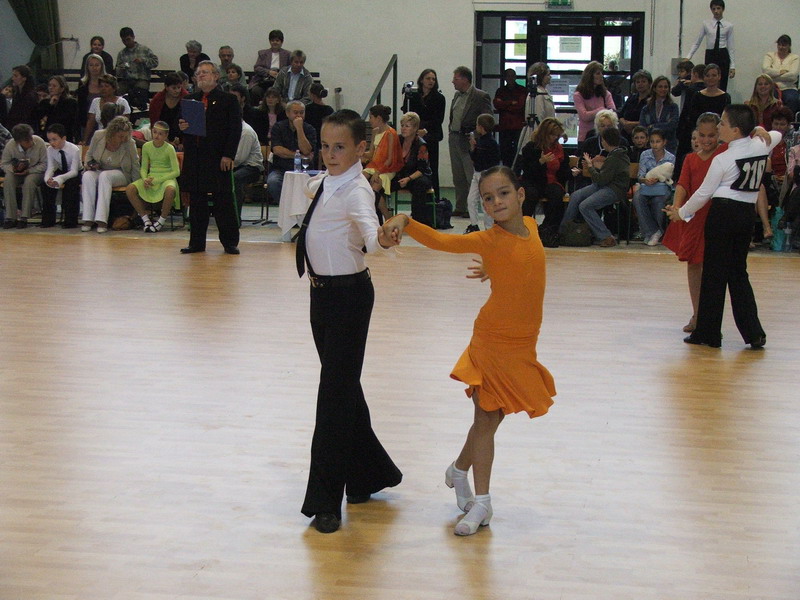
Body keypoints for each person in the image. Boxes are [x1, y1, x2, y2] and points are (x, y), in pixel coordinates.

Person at [380, 165, 556, 536]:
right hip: (492, 341)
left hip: (524, 344)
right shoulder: (487, 239)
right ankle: (483, 502)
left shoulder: (532, 226)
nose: (497, 202)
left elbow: (522, 265)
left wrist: (495, 269)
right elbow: (442, 243)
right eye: (488, 198)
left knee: (491, 419)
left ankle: (459, 470)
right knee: (486, 419)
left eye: (503, 193)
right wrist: (406, 222)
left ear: (520, 195)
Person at [297, 109, 402, 534]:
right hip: (321, 296)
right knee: (343, 388)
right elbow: (312, 186)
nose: (329, 153)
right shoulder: (326, 182)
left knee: (333, 398)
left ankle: (325, 500)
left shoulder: (357, 191)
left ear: (362, 148)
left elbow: (370, 234)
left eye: (339, 147)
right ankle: (368, 473)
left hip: (348, 299)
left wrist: (383, 238)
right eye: (325, 146)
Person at [665, 105, 778, 349]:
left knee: (713, 276)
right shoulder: (760, 146)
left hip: (723, 216)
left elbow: (702, 194)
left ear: (735, 130)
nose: (719, 127)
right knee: (738, 273)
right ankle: (754, 332)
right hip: (746, 217)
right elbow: (775, 135)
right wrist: (758, 129)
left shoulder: (723, 158)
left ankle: (708, 334)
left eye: (723, 124)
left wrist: (680, 213)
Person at [662, 113, 724, 333]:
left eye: (711, 135)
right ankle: (697, 313)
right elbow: (682, 185)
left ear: (719, 133)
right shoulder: (690, 159)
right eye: (702, 135)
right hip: (693, 216)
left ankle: (709, 316)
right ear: (696, 135)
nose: (706, 140)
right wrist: (677, 208)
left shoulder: (724, 153)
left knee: (714, 266)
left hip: (716, 215)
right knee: (694, 263)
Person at [178, 61, 242, 254]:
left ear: (216, 76)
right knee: (197, 202)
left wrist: (228, 154)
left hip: (217, 157)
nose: (201, 76)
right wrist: (181, 126)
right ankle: (196, 242)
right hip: (196, 157)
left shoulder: (228, 100)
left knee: (223, 200)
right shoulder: (190, 99)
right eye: (198, 73)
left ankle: (229, 242)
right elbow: (181, 127)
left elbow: (234, 129)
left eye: (205, 72)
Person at [561, 126, 630, 247]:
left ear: (606, 141)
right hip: (605, 185)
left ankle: (606, 236)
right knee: (576, 196)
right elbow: (606, 175)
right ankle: (564, 230)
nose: (601, 142)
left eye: (602, 140)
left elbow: (601, 179)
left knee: (585, 206)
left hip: (614, 189)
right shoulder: (615, 155)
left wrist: (590, 167)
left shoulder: (615, 158)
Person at [80, 116, 139, 233]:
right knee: (87, 176)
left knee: (105, 176)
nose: (123, 139)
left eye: (125, 136)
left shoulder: (130, 143)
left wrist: (136, 184)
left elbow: (135, 164)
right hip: (100, 169)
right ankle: (88, 219)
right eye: (120, 136)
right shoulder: (98, 135)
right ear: (112, 132)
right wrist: (89, 165)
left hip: (121, 173)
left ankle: (102, 220)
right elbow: (89, 155)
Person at [449, 66, 493, 217]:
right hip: (454, 138)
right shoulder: (457, 95)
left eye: (455, 78)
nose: (453, 81)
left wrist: (474, 135)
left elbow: (488, 119)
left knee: (470, 175)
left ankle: (471, 207)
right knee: (458, 176)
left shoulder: (480, 96)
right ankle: (460, 206)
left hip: (470, 140)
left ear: (465, 79)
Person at [516, 117, 570, 235]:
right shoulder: (531, 147)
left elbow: (564, 170)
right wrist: (540, 161)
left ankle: (548, 229)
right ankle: (524, 226)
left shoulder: (559, 149)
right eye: (552, 135)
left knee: (556, 194)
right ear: (545, 134)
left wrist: (570, 172)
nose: (555, 138)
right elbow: (527, 171)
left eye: (557, 135)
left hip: (552, 181)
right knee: (531, 194)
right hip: (533, 180)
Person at [125, 121, 180, 232]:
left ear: (166, 135)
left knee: (170, 189)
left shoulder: (170, 148)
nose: (156, 136)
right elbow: (144, 168)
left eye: (160, 134)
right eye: (155, 132)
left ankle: (161, 221)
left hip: (167, 178)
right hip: (151, 177)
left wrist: (158, 181)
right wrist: (145, 179)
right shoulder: (146, 146)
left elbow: (176, 171)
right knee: (130, 188)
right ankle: (145, 219)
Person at [403, 69, 445, 199]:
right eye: (428, 78)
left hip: (431, 136)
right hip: (415, 135)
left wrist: (425, 130)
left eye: (433, 79)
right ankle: (419, 196)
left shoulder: (439, 98)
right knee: (417, 167)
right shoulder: (414, 96)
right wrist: (414, 129)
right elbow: (408, 113)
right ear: (421, 80)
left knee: (432, 167)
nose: (431, 81)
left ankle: (435, 199)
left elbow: (438, 119)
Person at [266, 100, 316, 204]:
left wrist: (299, 129)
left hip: (304, 170)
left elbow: (306, 150)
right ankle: (287, 207)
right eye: (295, 112)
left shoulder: (310, 129)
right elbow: (277, 150)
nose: (299, 116)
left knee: (315, 185)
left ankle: (301, 210)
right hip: (280, 169)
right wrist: (298, 156)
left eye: (301, 112)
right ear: (287, 113)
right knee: (273, 182)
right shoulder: (278, 127)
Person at [632, 129, 675, 246]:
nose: (655, 145)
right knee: (637, 198)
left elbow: (670, 178)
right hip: (646, 186)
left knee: (658, 201)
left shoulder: (671, 157)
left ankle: (658, 231)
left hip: (662, 188)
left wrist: (659, 179)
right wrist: (645, 180)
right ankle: (653, 231)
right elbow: (640, 176)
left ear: (664, 142)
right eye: (652, 142)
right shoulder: (645, 155)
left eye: (658, 141)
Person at [391, 111, 433, 226]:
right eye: (402, 125)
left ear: (415, 128)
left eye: (407, 126)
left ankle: (417, 222)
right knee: (380, 183)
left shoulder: (421, 145)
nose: (403, 128)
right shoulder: (398, 140)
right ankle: (382, 218)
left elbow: (422, 169)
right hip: (401, 174)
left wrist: (408, 179)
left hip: (417, 175)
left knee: (420, 185)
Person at [1, 124, 47, 229]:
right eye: (26, 141)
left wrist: (29, 170)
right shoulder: (10, 145)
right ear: (18, 142)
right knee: (8, 180)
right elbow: (4, 164)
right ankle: (10, 217)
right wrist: (14, 169)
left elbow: (44, 164)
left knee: (29, 181)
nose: (30, 142)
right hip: (17, 173)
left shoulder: (39, 142)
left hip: (36, 172)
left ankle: (24, 216)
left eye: (30, 138)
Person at [686, 0, 735, 92]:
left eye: (718, 8)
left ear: (723, 9)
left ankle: (722, 100)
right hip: (710, 54)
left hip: (723, 54)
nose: (716, 11)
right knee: (708, 80)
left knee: (722, 82)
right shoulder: (706, 24)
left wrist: (732, 66)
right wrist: (689, 56)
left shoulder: (729, 26)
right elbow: (697, 41)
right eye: (713, 9)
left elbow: (731, 46)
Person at [40, 123, 81, 228]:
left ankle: (70, 221)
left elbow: (74, 171)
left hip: (75, 173)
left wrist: (59, 179)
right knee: (45, 186)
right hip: (61, 170)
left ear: (63, 138)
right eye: (49, 140)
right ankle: (48, 220)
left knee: (71, 186)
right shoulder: (50, 149)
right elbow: (50, 167)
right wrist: (48, 179)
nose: (51, 143)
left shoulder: (74, 149)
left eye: (54, 139)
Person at [465, 113, 501, 233]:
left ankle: (489, 227)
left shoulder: (490, 143)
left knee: (484, 202)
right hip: (477, 174)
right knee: (471, 199)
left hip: (486, 175)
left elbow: (489, 160)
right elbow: (475, 158)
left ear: (481, 127)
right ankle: (474, 224)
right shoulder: (481, 141)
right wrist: (473, 148)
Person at [363, 104, 403, 199]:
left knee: (374, 189)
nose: (369, 120)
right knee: (360, 180)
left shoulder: (391, 134)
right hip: (374, 165)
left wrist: (377, 172)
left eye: (371, 117)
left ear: (379, 118)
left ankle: (381, 208)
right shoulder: (375, 132)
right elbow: (371, 154)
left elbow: (390, 159)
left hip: (387, 168)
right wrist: (359, 153)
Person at [674, 63, 707, 177]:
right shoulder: (709, 91)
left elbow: (686, 112)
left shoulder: (691, 90)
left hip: (689, 128)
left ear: (695, 74)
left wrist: (679, 131)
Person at [115, 27, 159, 110]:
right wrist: (121, 68)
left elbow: (155, 62)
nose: (126, 42)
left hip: (141, 79)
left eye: (128, 39)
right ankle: (122, 110)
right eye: (124, 40)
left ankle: (142, 107)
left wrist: (143, 61)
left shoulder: (144, 50)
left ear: (133, 37)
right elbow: (118, 72)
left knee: (139, 90)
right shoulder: (121, 53)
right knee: (118, 90)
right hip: (127, 80)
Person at [573, 61, 616, 145]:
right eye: (598, 73)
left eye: (601, 73)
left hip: (605, 137)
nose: (601, 76)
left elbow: (612, 112)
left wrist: (595, 113)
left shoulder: (605, 93)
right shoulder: (578, 95)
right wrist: (602, 110)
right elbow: (584, 116)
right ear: (589, 76)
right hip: (585, 136)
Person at [683, 64, 731, 139]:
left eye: (714, 75)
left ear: (719, 76)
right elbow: (692, 118)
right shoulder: (697, 95)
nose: (710, 78)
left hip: (718, 135)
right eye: (708, 75)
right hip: (700, 134)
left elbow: (725, 120)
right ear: (704, 77)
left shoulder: (725, 97)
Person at [82, 74, 131, 144]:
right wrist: (84, 140)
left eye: (106, 86)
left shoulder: (122, 102)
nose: (103, 89)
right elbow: (90, 123)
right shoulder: (95, 101)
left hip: (118, 138)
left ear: (114, 88)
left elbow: (126, 124)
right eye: (101, 86)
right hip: (100, 137)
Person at [493, 69, 527, 167]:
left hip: (518, 126)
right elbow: (497, 104)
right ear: (505, 78)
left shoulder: (522, 90)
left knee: (518, 150)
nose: (510, 78)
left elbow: (520, 106)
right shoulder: (500, 91)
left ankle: (517, 170)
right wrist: (511, 103)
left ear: (515, 77)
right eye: (508, 76)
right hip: (505, 126)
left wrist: (505, 104)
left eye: (512, 76)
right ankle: (505, 169)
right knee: (504, 150)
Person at [231, 118, 264, 220]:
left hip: (252, 167)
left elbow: (239, 158)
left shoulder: (246, 132)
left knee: (235, 178)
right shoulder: (232, 129)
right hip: (238, 165)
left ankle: (235, 217)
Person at [639, 76, 680, 153]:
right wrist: (665, 124)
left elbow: (672, 126)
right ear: (654, 88)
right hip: (650, 146)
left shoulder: (673, 107)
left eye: (666, 87)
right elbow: (643, 128)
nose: (663, 89)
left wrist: (652, 126)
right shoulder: (646, 109)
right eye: (660, 87)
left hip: (669, 146)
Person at [34, 76, 79, 142]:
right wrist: (50, 105)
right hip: (48, 136)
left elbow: (73, 121)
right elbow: (38, 116)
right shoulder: (45, 102)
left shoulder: (71, 102)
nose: (51, 88)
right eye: (49, 85)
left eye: (54, 86)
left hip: (64, 135)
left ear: (62, 89)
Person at [762, 35, 799, 115]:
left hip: (789, 87)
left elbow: (793, 76)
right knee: (769, 98)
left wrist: (773, 74)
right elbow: (765, 71)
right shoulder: (769, 55)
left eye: (784, 45)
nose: (781, 47)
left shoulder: (795, 58)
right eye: (779, 44)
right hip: (772, 87)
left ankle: (789, 120)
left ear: (789, 46)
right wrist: (780, 72)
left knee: (793, 99)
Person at [249, 30, 291, 101]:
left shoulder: (288, 54)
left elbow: (290, 69)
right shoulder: (262, 53)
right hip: (263, 80)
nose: (275, 42)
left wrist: (280, 74)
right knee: (255, 91)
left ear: (281, 42)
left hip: (280, 82)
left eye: (277, 40)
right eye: (272, 40)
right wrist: (268, 72)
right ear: (270, 41)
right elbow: (257, 68)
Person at [148, 72, 188, 144]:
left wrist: (183, 141)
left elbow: (189, 123)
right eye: (174, 88)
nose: (177, 90)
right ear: (166, 87)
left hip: (182, 137)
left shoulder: (186, 98)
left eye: (179, 87)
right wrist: (164, 140)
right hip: (162, 135)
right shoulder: (157, 100)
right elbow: (154, 123)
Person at [76, 54, 107, 139]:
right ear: (87, 67)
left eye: (97, 65)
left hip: (103, 122)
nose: (94, 68)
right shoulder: (83, 84)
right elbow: (80, 106)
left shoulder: (107, 83)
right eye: (91, 65)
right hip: (86, 122)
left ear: (102, 66)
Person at [618, 69, 653, 138]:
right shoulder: (632, 98)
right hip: (625, 134)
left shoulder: (652, 100)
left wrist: (631, 124)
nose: (640, 84)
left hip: (643, 135)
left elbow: (651, 121)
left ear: (649, 83)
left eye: (643, 81)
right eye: (638, 82)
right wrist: (624, 123)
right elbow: (620, 115)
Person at [304, 82, 333, 164]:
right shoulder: (329, 110)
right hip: (324, 139)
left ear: (311, 94)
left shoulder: (307, 109)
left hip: (309, 139)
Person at [6, 65, 38, 130]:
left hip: (25, 129)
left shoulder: (30, 96)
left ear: (24, 78)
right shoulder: (17, 94)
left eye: (16, 76)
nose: (13, 78)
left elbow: (26, 116)